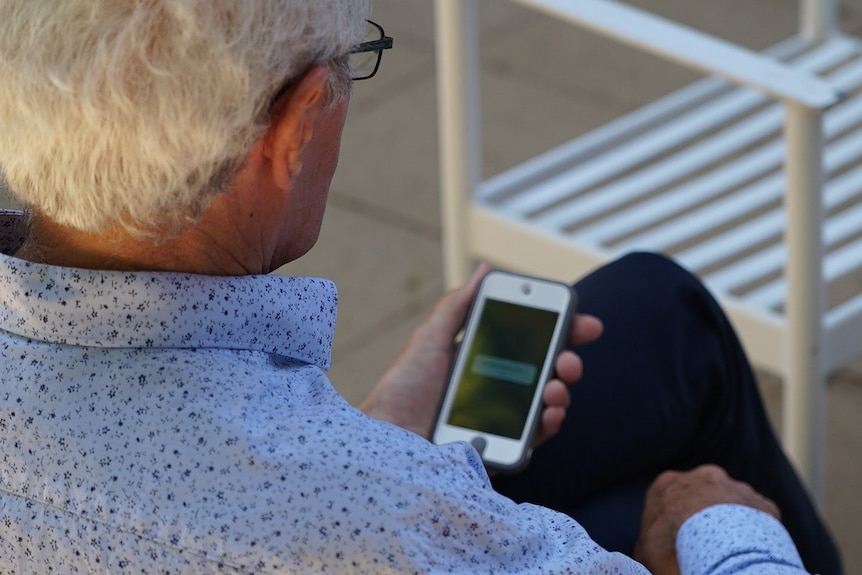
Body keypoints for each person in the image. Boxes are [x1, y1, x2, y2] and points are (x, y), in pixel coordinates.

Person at [0, 1, 842, 573]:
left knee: (659, 310)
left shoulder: (364, 490)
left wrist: (379, 430)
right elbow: (313, 514)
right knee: (677, 489)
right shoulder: (386, 515)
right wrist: (719, 526)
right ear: (293, 129)